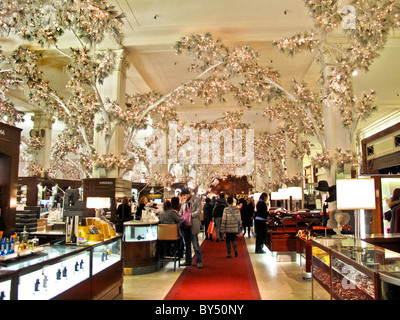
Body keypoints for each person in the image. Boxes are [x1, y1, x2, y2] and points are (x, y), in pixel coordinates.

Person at [179, 188, 203, 269]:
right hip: (185, 225)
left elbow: (198, 211)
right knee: (186, 244)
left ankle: (199, 261)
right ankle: (188, 260)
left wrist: (189, 215)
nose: (184, 197)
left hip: (193, 224)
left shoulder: (196, 200)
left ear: (188, 194)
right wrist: (181, 216)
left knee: (195, 244)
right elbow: (181, 212)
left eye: (184, 195)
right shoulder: (183, 202)